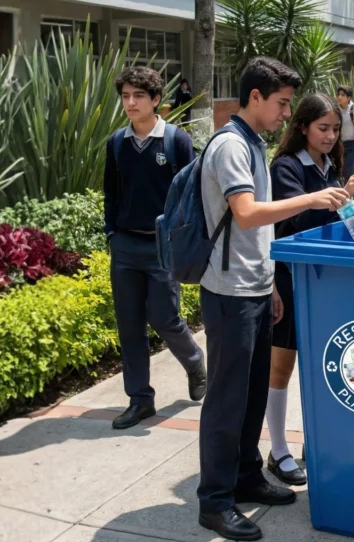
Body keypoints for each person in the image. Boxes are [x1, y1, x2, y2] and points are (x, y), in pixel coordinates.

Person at [196, 57, 351, 542]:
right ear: (255, 97)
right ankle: (215, 501)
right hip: (230, 291)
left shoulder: (251, 143)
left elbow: (257, 232)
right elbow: (246, 213)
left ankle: (246, 476)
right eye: (282, 103)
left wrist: (272, 285)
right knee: (227, 399)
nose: (286, 113)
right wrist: (312, 198)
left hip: (257, 285)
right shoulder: (229, 145)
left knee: (251, 393)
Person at [266, 94, 354, 484]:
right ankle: (278, 449)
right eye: (322, 128)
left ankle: (319, 439)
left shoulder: (331, 163)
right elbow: (295, 221)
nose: (330, 136)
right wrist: (342, 193)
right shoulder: (287, 167)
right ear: (303, 127)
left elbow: (337, 216)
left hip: (325, 278)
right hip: (290, 277)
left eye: (334, 129)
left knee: (324, 360)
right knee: (281, 365)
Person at [103, 66, 207, 430]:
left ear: (156, 100)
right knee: (129, 324)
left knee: (164, 317)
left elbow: (193, 194)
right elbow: (111, 193)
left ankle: (194, 361)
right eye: (125, 96)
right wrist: (112, 233)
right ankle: (140, 400)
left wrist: (185, 239)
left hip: (163, 247)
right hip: (125, 245)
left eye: (138, 96)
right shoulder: (117, 142)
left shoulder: (176, 141)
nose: (130, 103)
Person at [336, 86, 354, 182]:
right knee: (338, 170)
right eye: (338, 94)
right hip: (339, 144)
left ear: (349, 98)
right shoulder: (335, 110)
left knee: (349, 170)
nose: (339, 97)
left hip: (353, 144)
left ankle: (350, 190)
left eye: (343, 95)